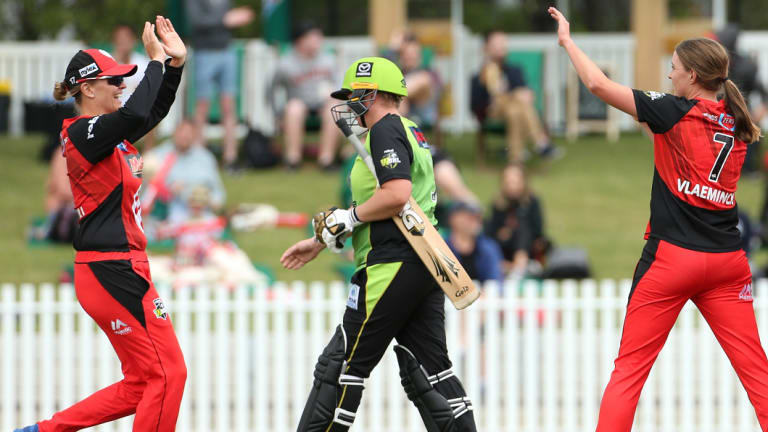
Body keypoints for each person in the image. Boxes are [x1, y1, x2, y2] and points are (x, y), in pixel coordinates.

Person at [549, 7, 768, 431]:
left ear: (692, 77)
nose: (669, 77)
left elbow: (597, 84)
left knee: (629, 372)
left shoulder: (675, 110)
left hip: (673, 259)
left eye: (674, 69)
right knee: (758, 374)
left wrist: (568, 43)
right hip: (727, 263)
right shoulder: (738, 124)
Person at [280, 56, 477, 432]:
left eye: (355, 95)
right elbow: (383, 202)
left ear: (373, 94)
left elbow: (397, 195)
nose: (350, 103)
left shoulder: (384, 129)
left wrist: (350, 217)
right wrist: (321, 239)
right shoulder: (410, 130)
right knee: (431, 374)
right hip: (422, 263)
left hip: (390, 266)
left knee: (339, 369)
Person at [15, 17, 187, 432]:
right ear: (88, 88)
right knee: (169, 375)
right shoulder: (83, 132)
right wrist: (155, 63)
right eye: (114, 80)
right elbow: (137, 110)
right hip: (112, 268)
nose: (122, 85)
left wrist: (175, 65)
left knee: (143, 383)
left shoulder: (111, 134)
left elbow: (151, 109)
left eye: (124, 79)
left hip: (119, 267)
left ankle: (42, 430)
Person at [470, 30, 559, 162]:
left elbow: (527, 94)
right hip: (494, 112)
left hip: (514, 110)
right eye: (496, 43)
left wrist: (519, 94)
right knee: (518, 97)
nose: (501, 47)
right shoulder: (479, 76)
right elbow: (475, 104)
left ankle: (515, 157)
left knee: (514, 111)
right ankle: (541, 142)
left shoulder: (514, 70)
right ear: (486, 47)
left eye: (503, 43)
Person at [186, 0, 254, 170]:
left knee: (228, 105)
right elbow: (197, 21)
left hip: (226, 50)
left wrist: (233, 18)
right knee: (202, 106)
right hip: (204, 52)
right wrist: (225, 19)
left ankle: (230, 157)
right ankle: (198, 156)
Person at [270, 21, 339, 170]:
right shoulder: (285, 64)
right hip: (298, 105)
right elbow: (271, 90)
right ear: (301, 40)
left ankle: (326, 160)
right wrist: (277, 114)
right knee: (294, 108)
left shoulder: (328, 60)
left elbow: (342, 86)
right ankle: (293, 159)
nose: (319, 40)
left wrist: (333, 93)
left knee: (333, 108)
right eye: (314, 37)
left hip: (323, 105)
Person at [142, 118, 225, 224]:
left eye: (189, 133)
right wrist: (168, 190)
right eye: (181, 132)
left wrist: (209, 200)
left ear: (194, 136)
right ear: (174, 133)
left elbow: (219, 193)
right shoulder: (158, 156)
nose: (184, 136)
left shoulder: (205, 158)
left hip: (202, 213)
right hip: (168, 213)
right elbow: (145, 189)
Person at [485, 163, 548, 277]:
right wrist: (503, 233)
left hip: (527, 246)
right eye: (508, 182)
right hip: (505, 246)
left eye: (515, 182)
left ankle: (519, 265)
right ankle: (512, 266)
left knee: (523, 229)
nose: (512, 186)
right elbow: (491, 230)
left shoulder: (531, 201)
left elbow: (538, 229)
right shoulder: (498, 204)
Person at [111, 23, 155, 149]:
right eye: (119, 40)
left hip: (136, 110)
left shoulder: (142, 64)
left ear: (133, 41)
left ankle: (149, 152)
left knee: (149, 109)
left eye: (125, 39)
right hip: (113, 110)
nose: (122, 43)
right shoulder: (109, 64)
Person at [445, 200, 504, 285]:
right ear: (454, 219)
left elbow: (496, 281)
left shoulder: (489, 247)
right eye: (470, 217)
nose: (476, 221)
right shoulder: (441, 247)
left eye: (478, 217)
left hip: (484, 297)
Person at [398, 38, 442, 128]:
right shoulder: (399, 74)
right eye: (406, 53)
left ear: (419, 56)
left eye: (413, 53)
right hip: (404, 115)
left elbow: (437, 92)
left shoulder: (429, 73)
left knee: (400, 92)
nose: (409, 56)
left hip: (424, 114)